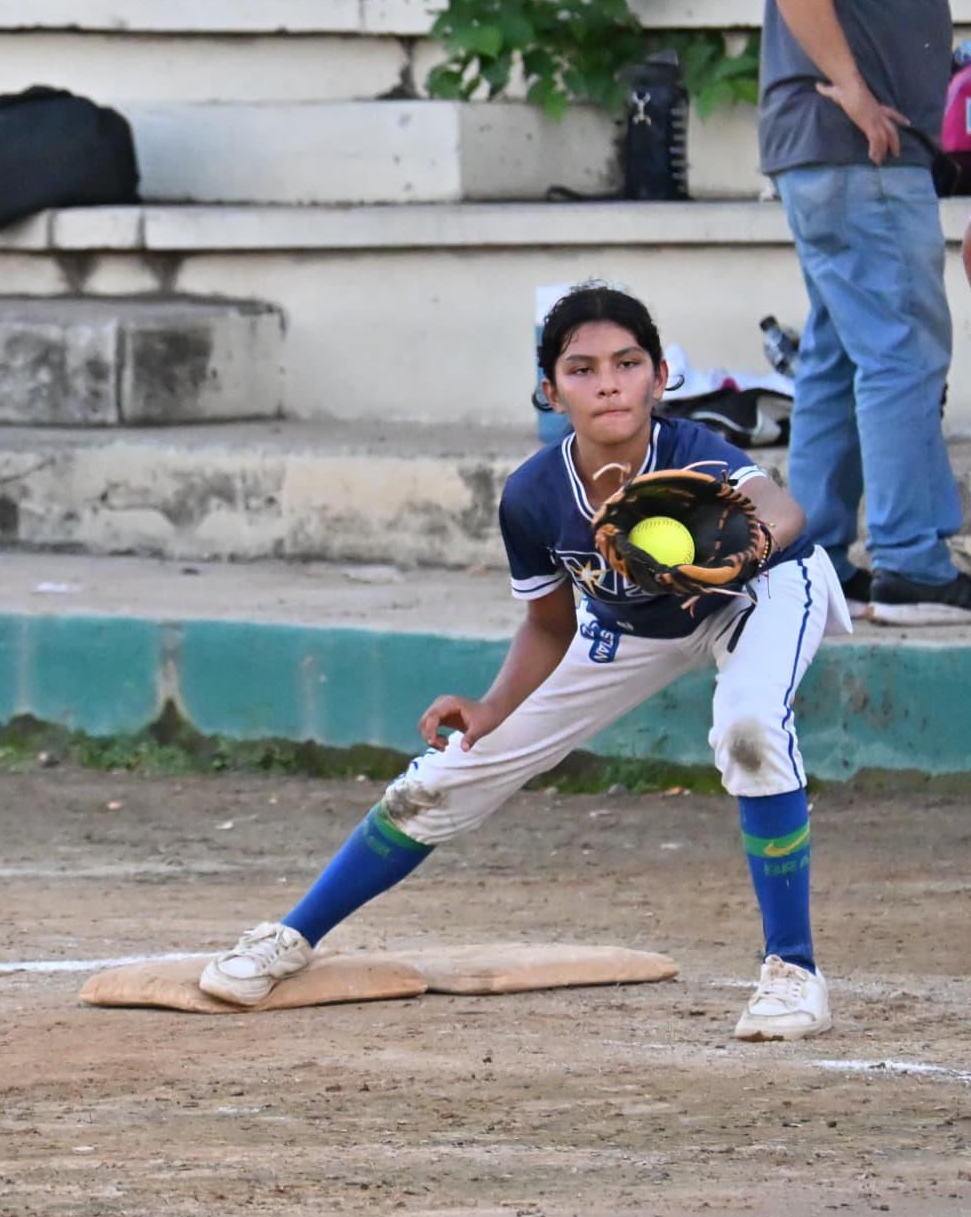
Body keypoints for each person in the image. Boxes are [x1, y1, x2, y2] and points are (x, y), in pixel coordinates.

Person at [200, 284, 851, 1042]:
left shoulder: (694, 453)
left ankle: (793, 974)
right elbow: (548, 623)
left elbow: (780, 507)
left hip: (761, 591)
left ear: (661, 376)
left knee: (749, 729)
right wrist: (490, 709)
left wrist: (748, 548)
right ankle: (290, 937)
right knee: (449, 774)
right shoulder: (535, 496)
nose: (608, 381)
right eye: (581, 368)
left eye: (628, 362)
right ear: (549, 390)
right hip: (633, 621)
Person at [760, 0, 971, 624]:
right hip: (861, 146)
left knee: (838, 357)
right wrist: (853, 88)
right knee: (901, 354)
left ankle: (816, 560)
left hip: (835, 146)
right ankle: (910, 564)